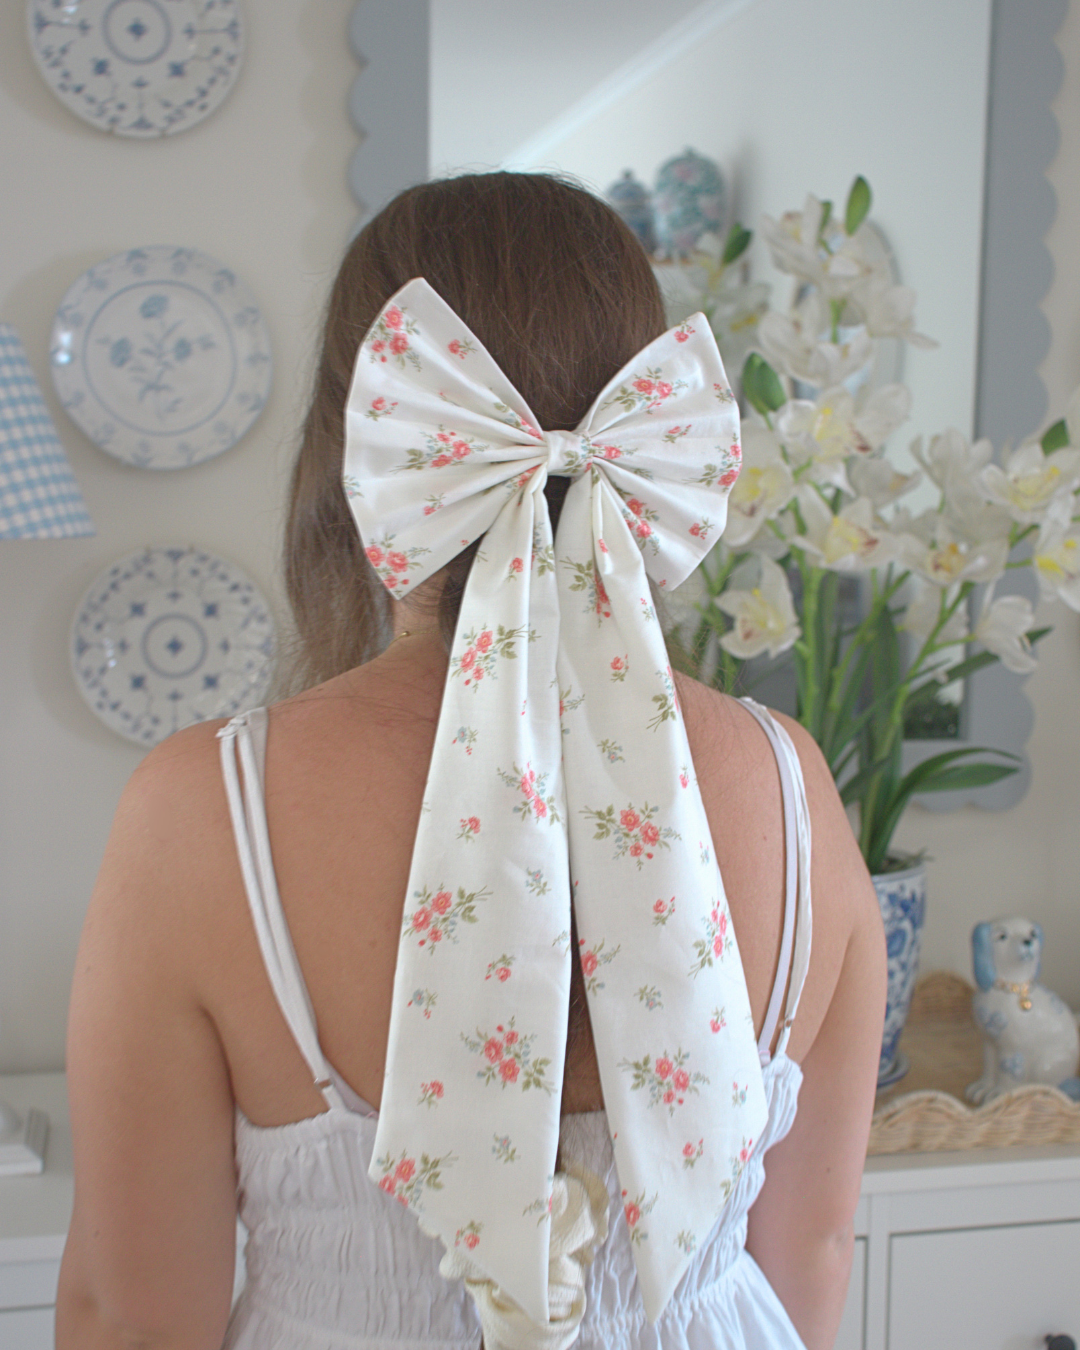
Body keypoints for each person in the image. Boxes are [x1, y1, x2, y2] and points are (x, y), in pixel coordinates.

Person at [56, 172, 885, 1350]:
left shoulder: (204, 811)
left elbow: (133, 1313)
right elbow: (810, 1253)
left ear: (364, 448)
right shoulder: (790, 782)